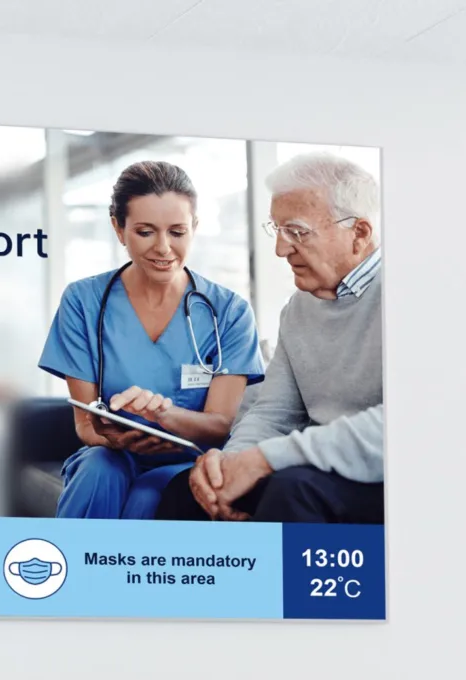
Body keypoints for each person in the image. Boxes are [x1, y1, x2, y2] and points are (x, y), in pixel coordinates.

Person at [157, 153, 384, 524]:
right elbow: (275, 411)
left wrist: (266, 460)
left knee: (292, 491)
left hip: (390, 474)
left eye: (297, 231)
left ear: (358, 233)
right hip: (316, 466)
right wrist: (229, 467)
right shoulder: (299, 308)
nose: (281, 249)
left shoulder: (405, 299)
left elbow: (401, 426)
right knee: (187, 491)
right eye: (277, 230)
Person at [37, 161, 263, 519]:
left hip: (188, 460)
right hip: (111, 453)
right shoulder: (83, 301)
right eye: (145, 232)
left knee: (148, 495)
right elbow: (85, 426)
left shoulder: (229, 312)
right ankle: (69, 570)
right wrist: (111, 436)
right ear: (118, 227)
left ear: (195, 228)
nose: (163, 248)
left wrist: (164, 415)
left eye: (177, 231)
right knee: (98, 469)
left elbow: (221, 425)